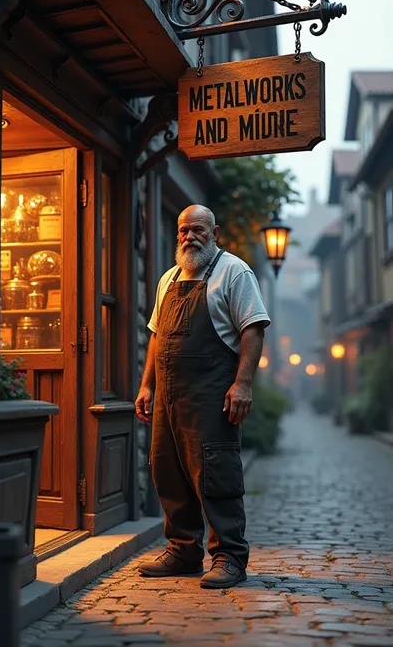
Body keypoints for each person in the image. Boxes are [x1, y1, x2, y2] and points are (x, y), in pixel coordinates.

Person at [135, 204, 270, 589]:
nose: (189, 237)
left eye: (198, 229)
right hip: (168, 396)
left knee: (216, 473)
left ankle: (229, 556)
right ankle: (184, 550)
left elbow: (253, 328)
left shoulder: (234, 271)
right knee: (167, 471)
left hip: (213, 394)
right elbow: (157, 337)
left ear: (214, 233)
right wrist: (147, 385)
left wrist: (243, 384)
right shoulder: (167, 279)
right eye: (183, 231)